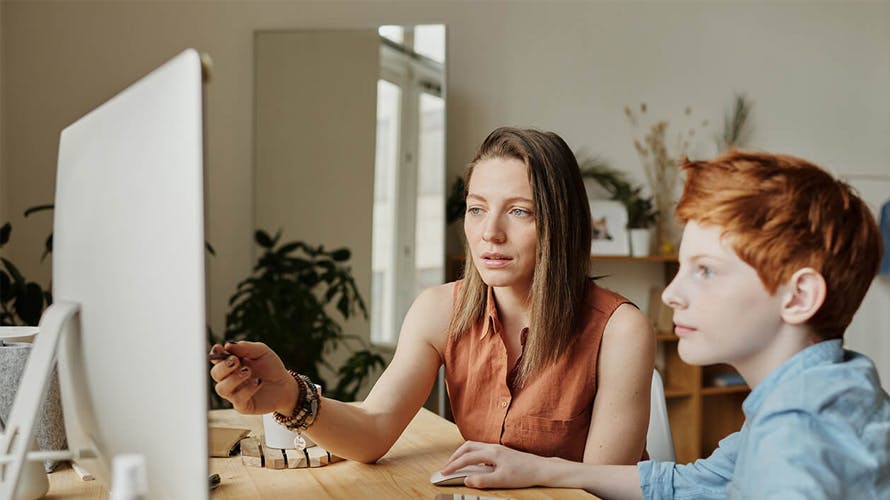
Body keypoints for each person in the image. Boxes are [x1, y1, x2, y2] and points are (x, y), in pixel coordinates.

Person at [440, 150, 890, 498]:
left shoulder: (797, 437)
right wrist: (546, 470)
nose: (672, 294)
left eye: (706, 271)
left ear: (799, 296)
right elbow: (695, 484)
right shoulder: (826, 390)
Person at [210, 127, 655, 465]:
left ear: (561, 224)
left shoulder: (620, 330)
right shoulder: (439, 310)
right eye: (477, 208)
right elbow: (373, 430)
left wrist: (522, 471)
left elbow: (602, 488)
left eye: (519, 211)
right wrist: (289, 394)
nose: (490, 233)